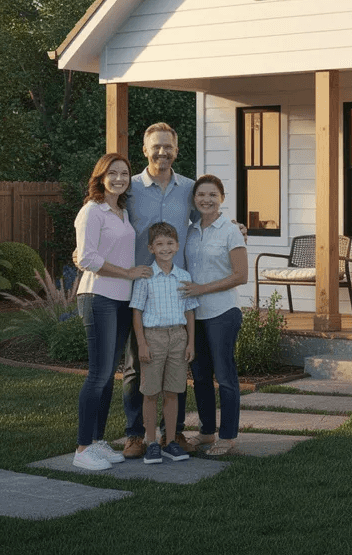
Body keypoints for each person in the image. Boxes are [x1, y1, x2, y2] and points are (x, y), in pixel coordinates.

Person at [72, 153, 152, 471]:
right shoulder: (92, 211)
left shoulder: (121, 211)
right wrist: (130, 274)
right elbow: (88, 259)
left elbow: (93, 252)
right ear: (101, 176)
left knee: (107, 378)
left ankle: (96, 441)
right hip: (98, 297)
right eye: (113, 173)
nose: (119, 178)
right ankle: (81, 449)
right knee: (97, 375)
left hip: (121, 300)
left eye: (124, 173)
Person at [120, 122, 195, 459]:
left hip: (177, 290)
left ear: (176, 151)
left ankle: (173, 434)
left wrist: (236, 228)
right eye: (156, 147)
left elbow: (208, 216)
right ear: (145, 150)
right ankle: (136, 435)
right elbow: (104, 217)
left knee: (177, 366)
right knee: (138, 365)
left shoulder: (189, 189)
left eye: (168, 147)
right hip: (139, 289)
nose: (162, 152)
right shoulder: (128, 187)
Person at [180, 174, 249, 457]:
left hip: (223, 311)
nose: (206, 199)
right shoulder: (191, 230)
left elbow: (241, 275)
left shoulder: (230, 231)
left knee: (225, 376)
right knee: (200, 376)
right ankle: (207, 432)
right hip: (195, 315)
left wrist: (202, 288)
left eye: (212, 195)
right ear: (194, 200)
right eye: (201, 195)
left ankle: (228, 435)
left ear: (222, 198)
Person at [129, 222, 198, 465]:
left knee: (173, 391)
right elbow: (136, 312)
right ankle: (151, 443)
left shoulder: (184, 277)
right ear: (151, 247)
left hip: (178, 338)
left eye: (170, 243)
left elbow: (190, 312)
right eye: (159, 244)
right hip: (153, 337)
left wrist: (190, 343)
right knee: (150, 392)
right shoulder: (147, 277)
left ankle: (169, 442)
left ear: (177, 246)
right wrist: (142, 344)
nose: (165, 248)